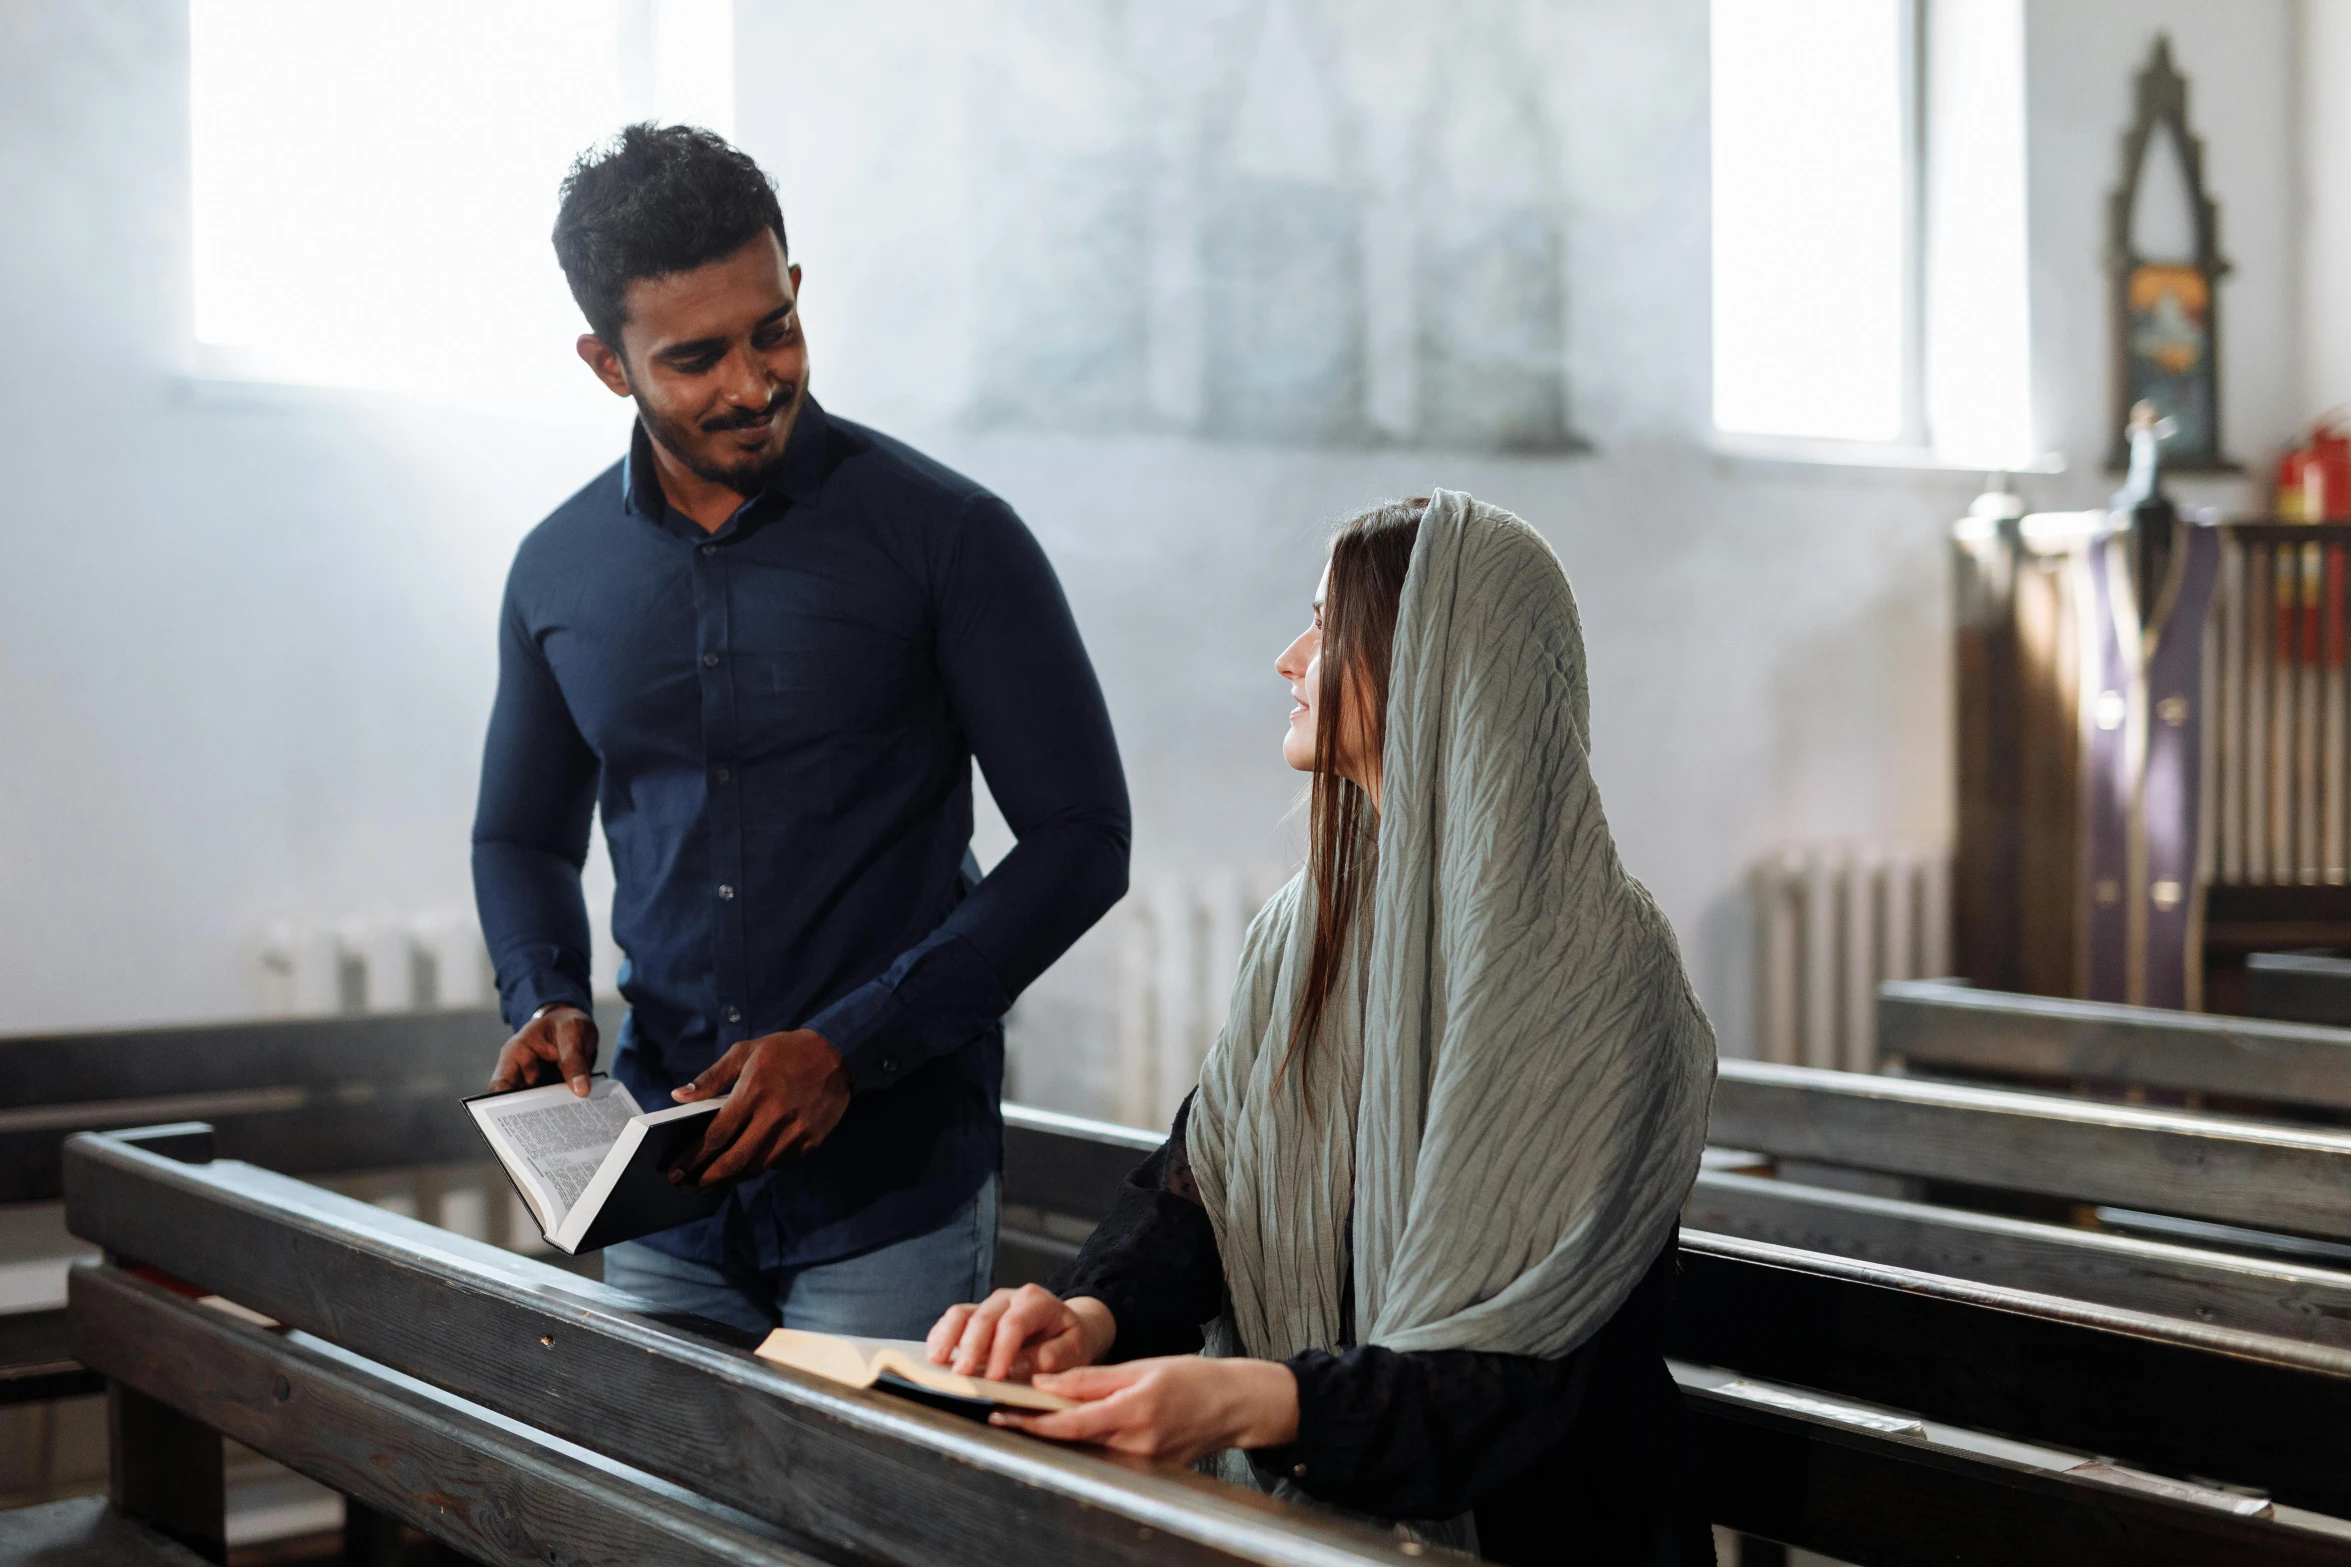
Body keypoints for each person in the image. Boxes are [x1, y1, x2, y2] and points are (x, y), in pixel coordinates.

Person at [926, 492, 1717, 1563]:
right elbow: (1203, 1187)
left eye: (1326, 624)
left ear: (1439, 667)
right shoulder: (1305, 929)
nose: (1288, 657)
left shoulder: (1598, 969)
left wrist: (1247, 1399)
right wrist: (1087, 1318)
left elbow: (1516, 1375)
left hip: (1547, 1527)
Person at [471, 125, 1129, 1339]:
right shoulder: (555, 571)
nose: (753, 381)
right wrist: (542, 989)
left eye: (772, 327)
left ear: (795, 286)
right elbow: (518, 836)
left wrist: (848, 1044)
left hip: (892, 1189)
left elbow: (1083, 838)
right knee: (665, 1529)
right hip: (661, 1200)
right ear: (605, 364)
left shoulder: (950, 536)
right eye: (694, 356)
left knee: (865, 1531)